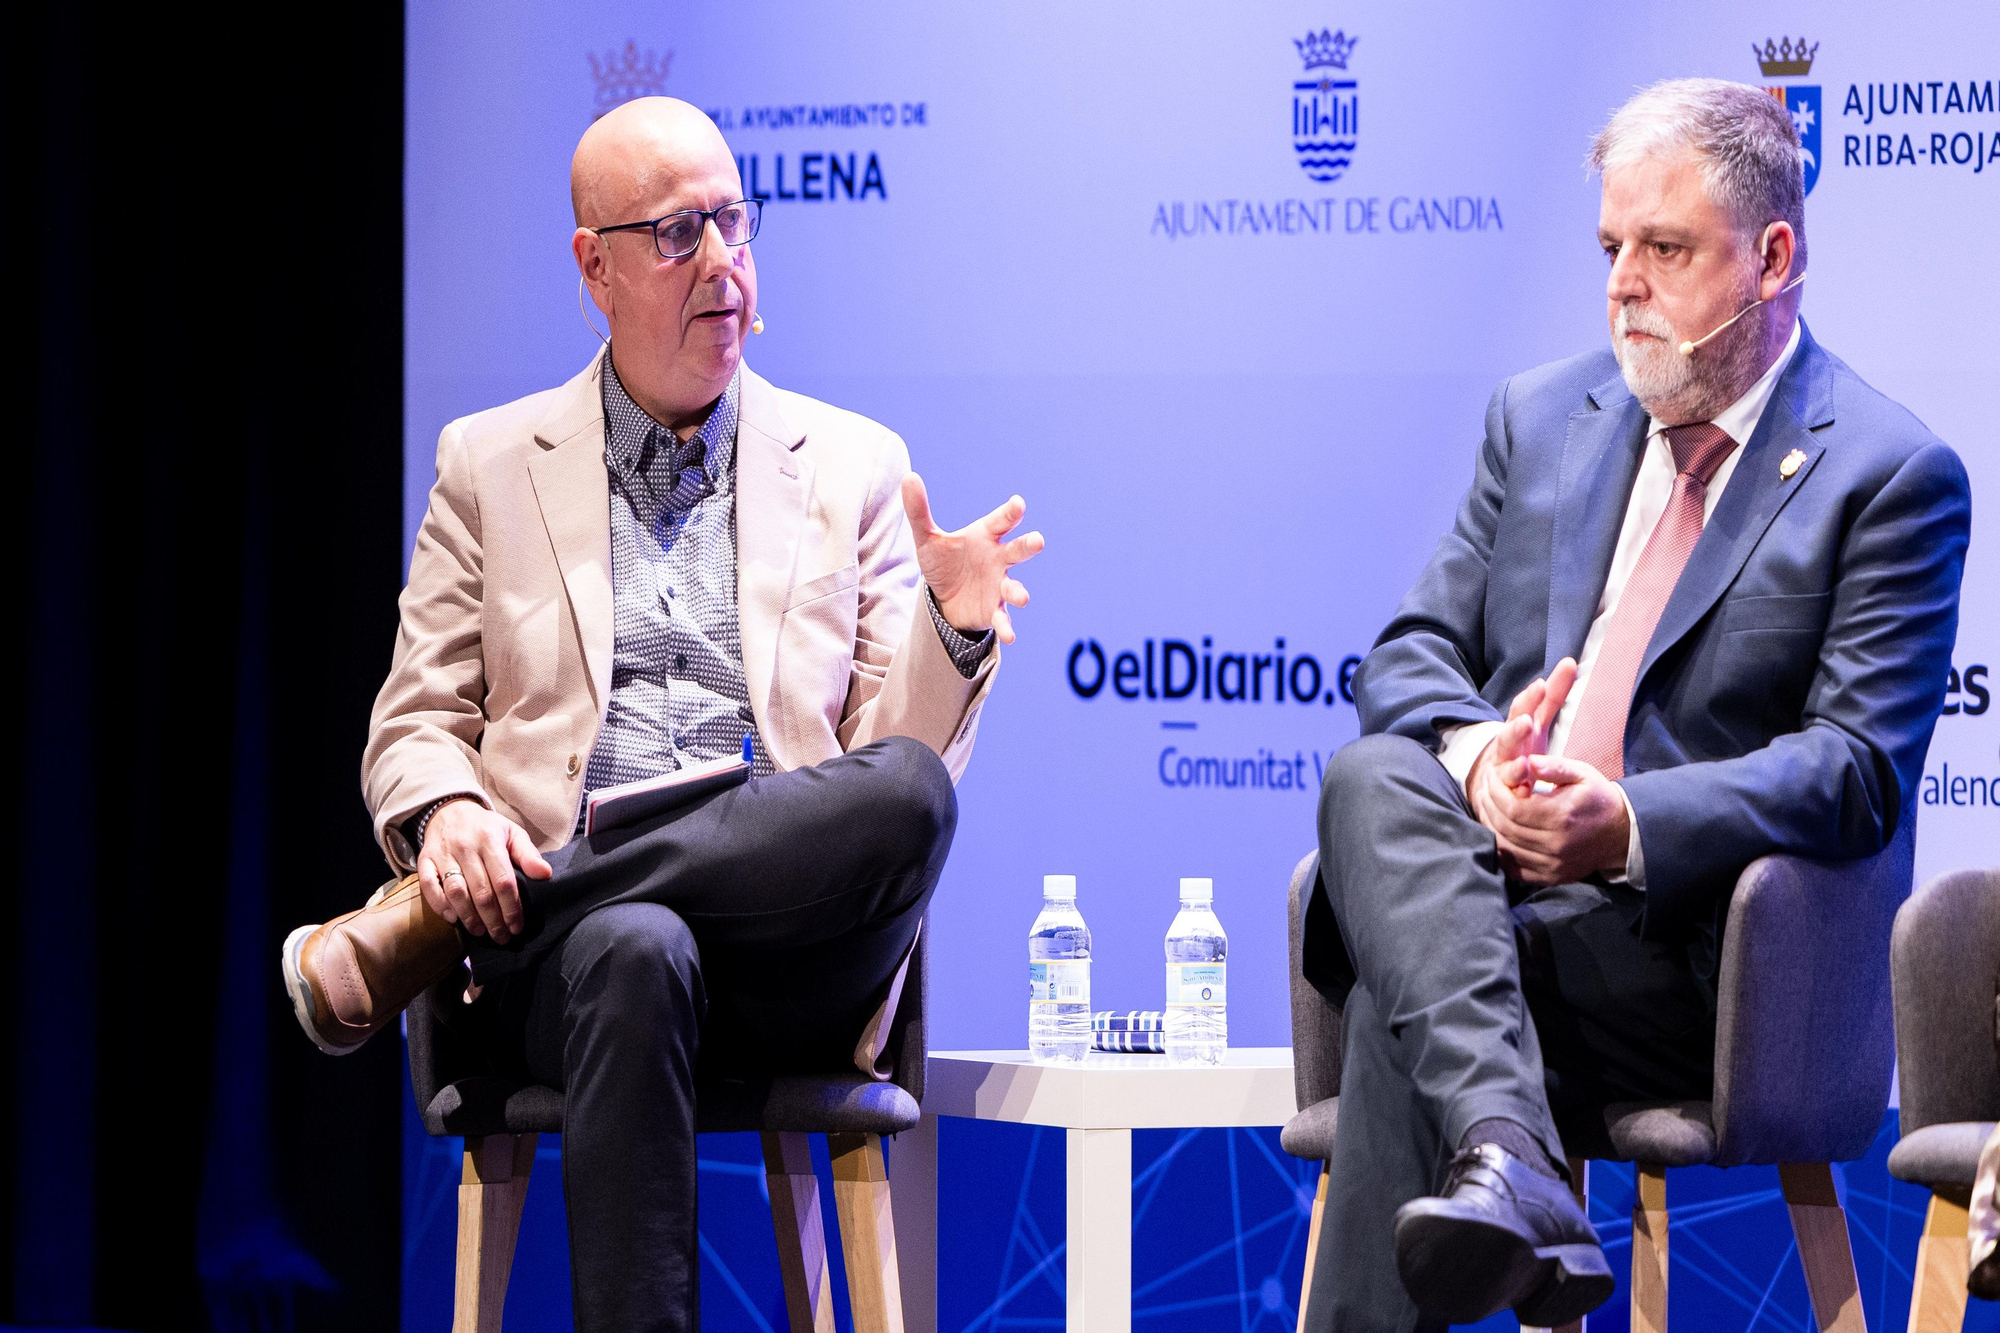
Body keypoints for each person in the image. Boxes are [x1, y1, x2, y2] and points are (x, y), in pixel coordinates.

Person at [280, 96, 1042, 1330]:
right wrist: (453, 815)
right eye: (679, 233)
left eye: (734, 222)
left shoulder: (850, 464)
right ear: (595, 267)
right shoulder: (488, 465)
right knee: (635, 944)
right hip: (579, 984)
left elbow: (887, 759)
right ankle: (556, 897)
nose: (723, 263)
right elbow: (412, 725)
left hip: (794, 956)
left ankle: (422, 928)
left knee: (907, 793)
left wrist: (952, 633)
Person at [1305, 78, 1967, 1331]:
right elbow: (1403, 658)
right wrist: (1482, 754)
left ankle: (1506, 1163)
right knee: (1374, 777)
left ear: (1771, 257)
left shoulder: (1886, 474)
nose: (1622, 284)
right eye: (1611, 249)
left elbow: (1856, 769)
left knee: (1423, 1001)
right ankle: (1510, 1154)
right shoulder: (1540, 418)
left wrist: (1622, 822)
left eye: (1663, 250)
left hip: (1686, 959)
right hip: (1484, 901)